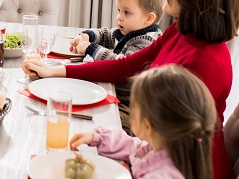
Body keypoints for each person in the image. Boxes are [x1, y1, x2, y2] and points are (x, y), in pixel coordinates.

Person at [23, 0, 239, 178]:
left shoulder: (206, 62)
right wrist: (56, 71)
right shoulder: (180, 30)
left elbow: (178, 144)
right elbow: (125, 66)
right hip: (155, 151)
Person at [70, 65, 217, 179]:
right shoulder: (166, 149)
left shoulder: (161, 175)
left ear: (147, 126)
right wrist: (98, 137)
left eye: (134, 107)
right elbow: (133, 146)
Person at [69, 0, 164, 133]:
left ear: (149, 18)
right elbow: (107, 34)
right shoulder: (129, 31)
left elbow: (119, 64)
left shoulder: (147, 42)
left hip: (132, 109)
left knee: (91, 119)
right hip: (115, 95)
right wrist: (88, 36)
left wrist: (91, 49)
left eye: (127, 12)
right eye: (119, 10)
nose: (119, 17)